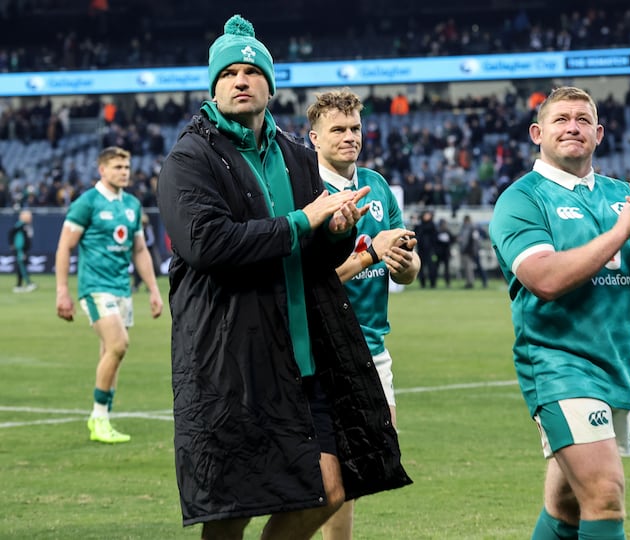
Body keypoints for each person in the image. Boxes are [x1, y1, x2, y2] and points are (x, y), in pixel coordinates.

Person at [155, 15, 411, 539]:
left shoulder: (297, 157)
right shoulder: (189, 158)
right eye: (229, 73)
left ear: (270, 86)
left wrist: (337, 231)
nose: (241, 80)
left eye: (252, 71)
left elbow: (314, 250)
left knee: (331, 490)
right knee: (233, 508)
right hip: (231, 360)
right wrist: (306, 220)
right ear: (214, 85)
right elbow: (207, 244)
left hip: (304, 355)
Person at [489, 86, 630, 540]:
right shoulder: (521, 200)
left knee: (567, 507)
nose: (572, 127)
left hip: (613, 366)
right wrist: (623, 230)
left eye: (583, 120)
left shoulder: (623, 196)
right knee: (604, 492)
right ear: (538, 133)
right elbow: (546, 279)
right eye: (561, 119)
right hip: (559, 365)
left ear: (598, 134)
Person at [307, 88, 420, 540]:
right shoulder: (306, 192)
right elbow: (311, 284)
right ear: (314, 137)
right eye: (338, 129)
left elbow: (408, 269)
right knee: (330, 477)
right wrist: (370, 255)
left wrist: (406, 263)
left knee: (369, 460)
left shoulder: (378, 186)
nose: (350, 136)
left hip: (372, 346)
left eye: (355, 128)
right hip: (321, 350)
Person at [55, 146, 164, 444]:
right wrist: (62, 291)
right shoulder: (86, 203)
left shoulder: (132, 204)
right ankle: (98, 416)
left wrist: (154, 290)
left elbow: (139, 250)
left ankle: (103, 418)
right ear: (102, 170)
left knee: (110, 353)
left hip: (121, 288)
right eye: (117, 167)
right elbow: (65, 246)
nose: (124, 172)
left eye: (126, 167)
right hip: (95, 286)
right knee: (119, 344)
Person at [131, 212, 161, 292]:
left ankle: (150, 286)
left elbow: (151, 240)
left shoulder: (148, 228)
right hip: (139, 252)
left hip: (149, 252)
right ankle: (136, 285)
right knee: (136, 270)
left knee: (151, 268)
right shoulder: (137, 229)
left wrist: (144, 245)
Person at [9, 209, 36, 293]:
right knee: (22, 266)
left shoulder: (25, 226)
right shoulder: (20, 225)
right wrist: (13, 245)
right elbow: (11, 233)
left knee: (21, 267)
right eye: (29, 217)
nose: (31, 218)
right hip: (20, 250)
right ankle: (29, 283)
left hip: (23, 249)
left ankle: (19, 285)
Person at [459, 214, 488, 289]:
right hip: (467, 251)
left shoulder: (472, 228)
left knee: (478, 267)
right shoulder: (465, 228)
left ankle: (484, 281)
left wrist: (474, 250)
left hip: (472, 251)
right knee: (469, 268)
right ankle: (470, 282)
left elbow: (475, 240)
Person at [434, 218, 455, 287]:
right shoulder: (437, 232)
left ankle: (447, 283)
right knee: (436, 269)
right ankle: (434, 283)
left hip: (446, 253)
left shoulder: (447, 231)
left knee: (447, 270)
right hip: (439, 253)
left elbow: (452, 240)